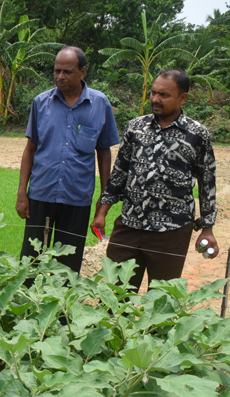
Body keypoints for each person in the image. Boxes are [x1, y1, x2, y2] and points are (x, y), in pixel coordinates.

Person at [91, 69, 218, 290]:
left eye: (164, 95)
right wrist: (102, 213)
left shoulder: (198, 135)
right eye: (153, 93)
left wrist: (207, 228)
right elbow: (119, 172)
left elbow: (207, 182)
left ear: (182, 98)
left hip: (172, 231)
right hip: (130, 224)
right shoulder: (135, 127)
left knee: (161, 300)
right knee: (115, 293)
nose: (155, 100)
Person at [16, 46, 119, 274]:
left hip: (77, 196)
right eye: (56, 71)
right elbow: (30, 149)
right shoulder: (40, 103)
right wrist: (22, 193)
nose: (60, 76)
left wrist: (104, 194)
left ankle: (62, 309)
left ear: (82, 72)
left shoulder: (99, 104)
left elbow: (104, 151)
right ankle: (28, 306)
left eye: (67, 72)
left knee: (68, 262)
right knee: (32, 258)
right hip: (40, 193)